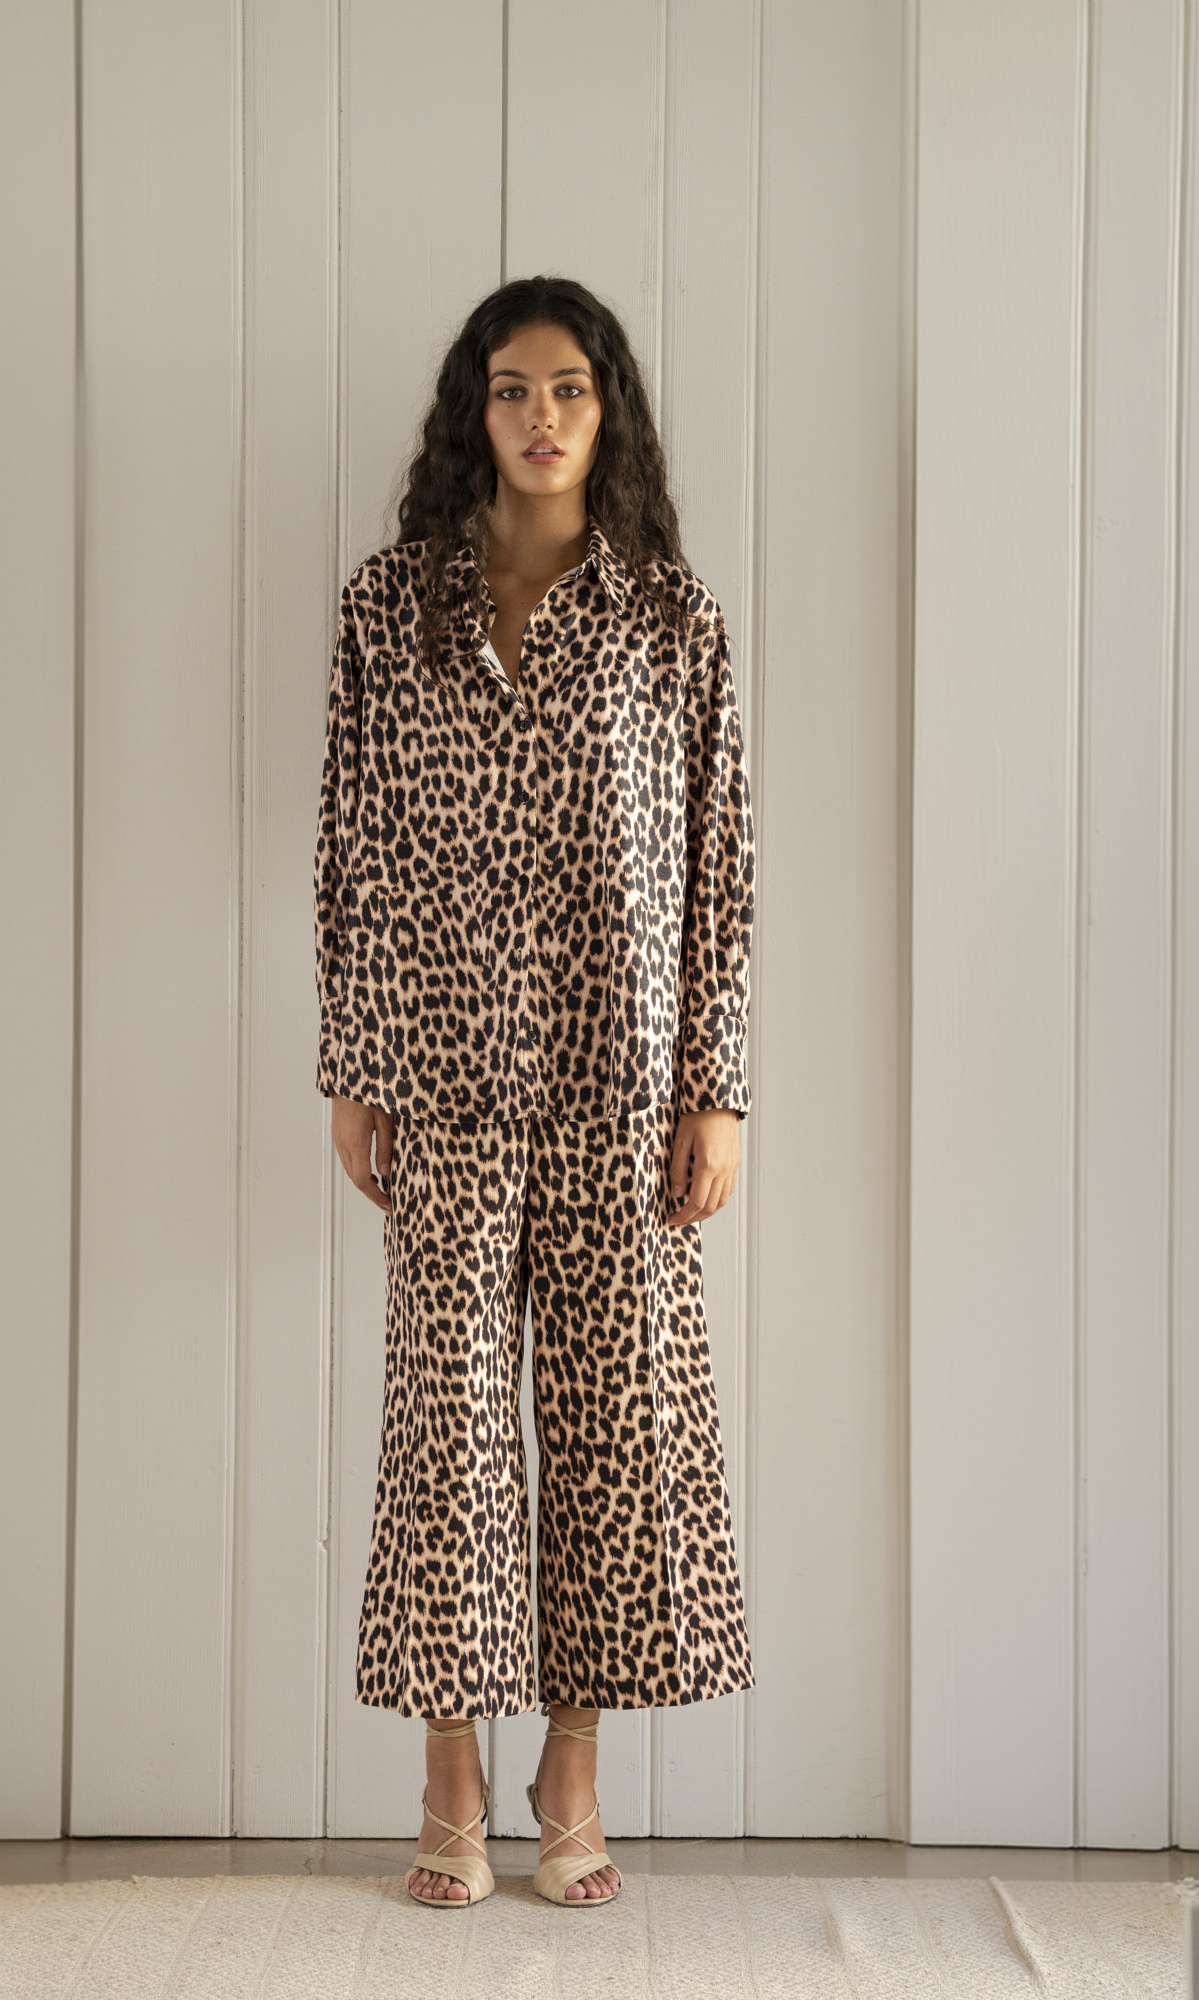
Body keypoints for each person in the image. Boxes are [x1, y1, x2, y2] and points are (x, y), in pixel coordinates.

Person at [314, 275, 757, 1909]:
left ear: (605, 409)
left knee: (609, 1432)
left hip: (621, 1086)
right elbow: (350, 845)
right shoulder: (390, 605)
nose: (542, 415)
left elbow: (721, 868)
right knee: (446, 1432)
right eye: (512, 388)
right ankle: (450, 1773)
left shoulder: (671, 618)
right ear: (474, 412)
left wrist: (716, 1091)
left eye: (569, 387)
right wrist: (353, 1064)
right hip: (440, 1075)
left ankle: (569, 1770)